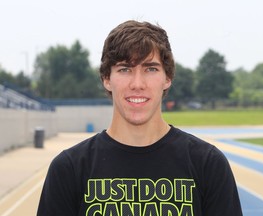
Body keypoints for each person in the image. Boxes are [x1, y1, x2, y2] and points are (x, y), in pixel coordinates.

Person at [37, 20, 243, 216]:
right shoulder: (69, 168)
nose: (137, 83)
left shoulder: (207, 164)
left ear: (167, 78)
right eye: (125, 69)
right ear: (107, 79)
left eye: (150, 69)